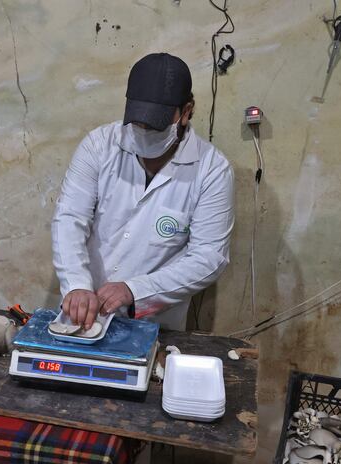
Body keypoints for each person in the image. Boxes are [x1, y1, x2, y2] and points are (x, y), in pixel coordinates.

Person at [51, 53, 234, 331]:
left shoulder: (212, 170)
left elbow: (209, 257)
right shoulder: (99, 146)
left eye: (155, 125)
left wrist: (135, 290)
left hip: (154, 323)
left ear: (186, 112)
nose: (144, 131)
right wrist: (76, 284)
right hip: (84, 317)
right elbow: (69, 219)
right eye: (138, 122)